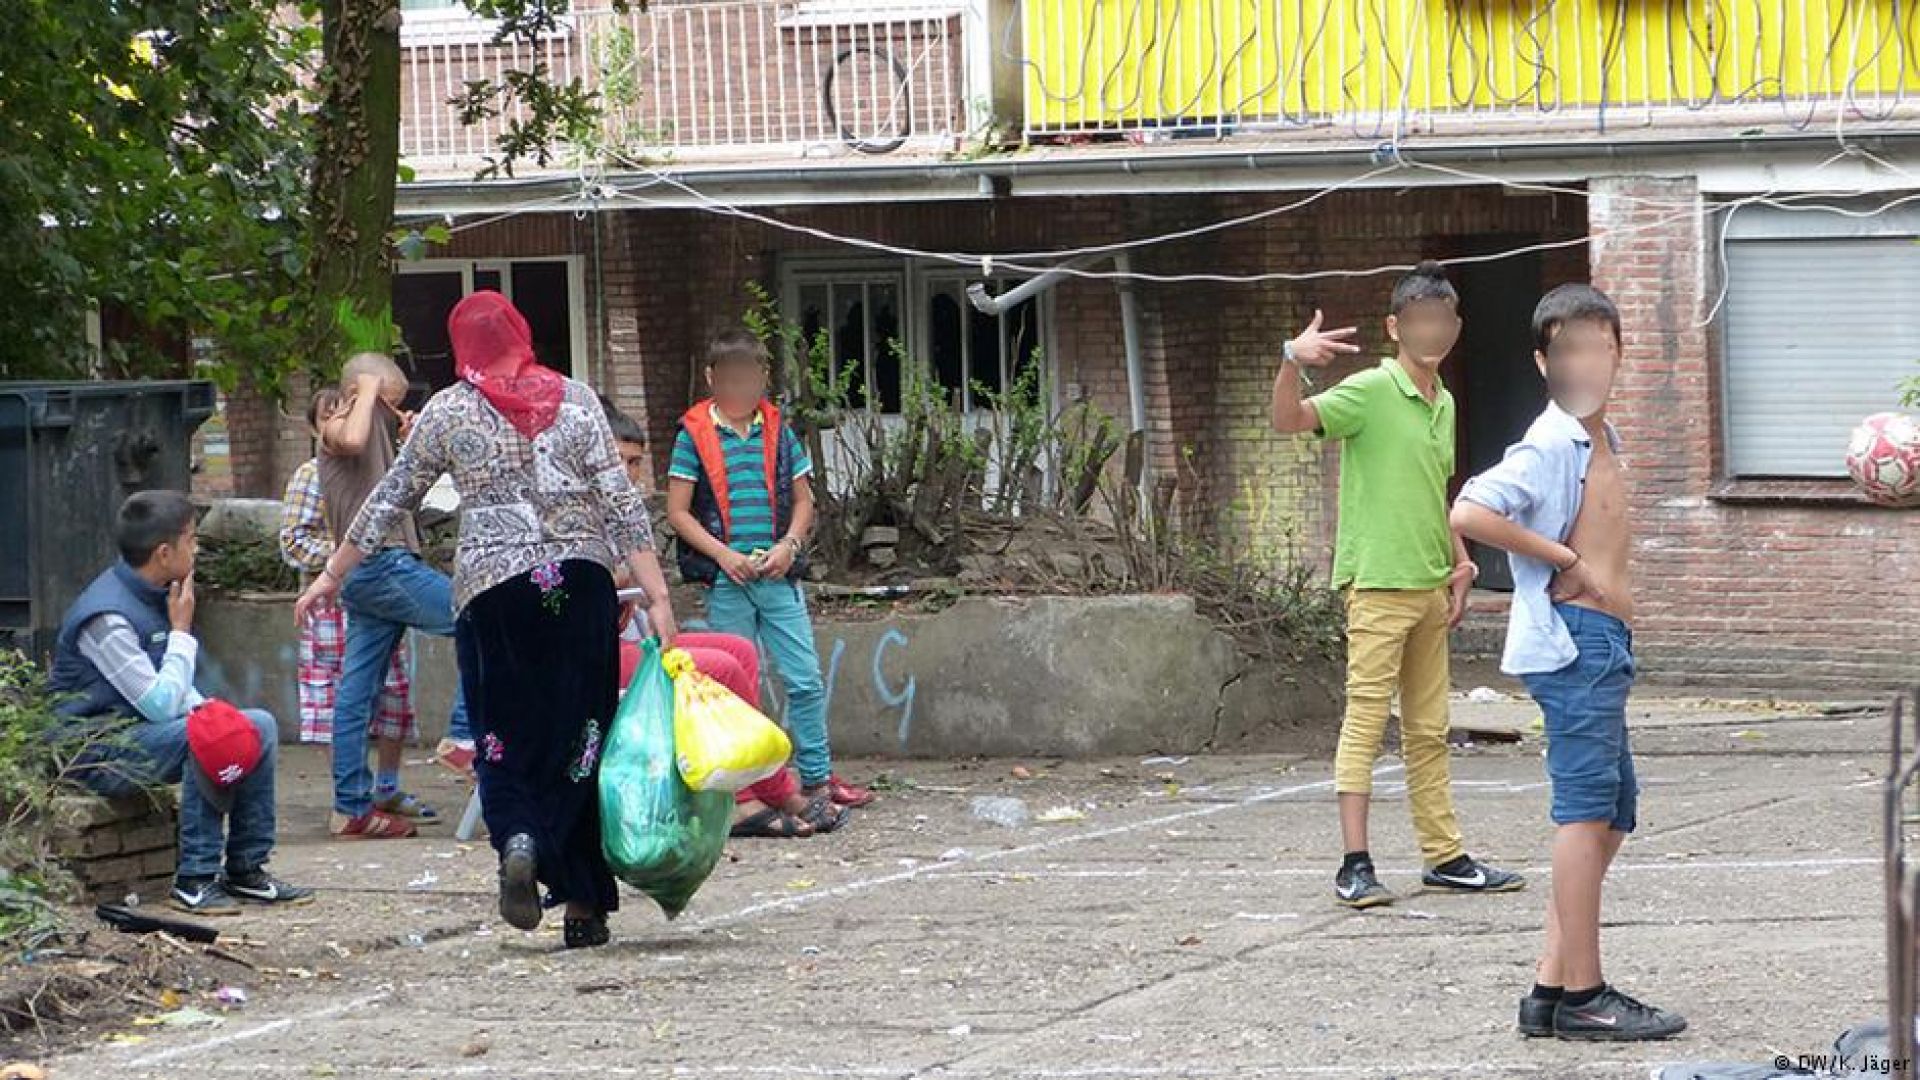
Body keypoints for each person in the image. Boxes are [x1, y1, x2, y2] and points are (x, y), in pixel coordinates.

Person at [296, 290, 678, 949]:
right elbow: (620, 499)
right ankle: (585, 903)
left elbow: (391, 497)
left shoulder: (447, 410)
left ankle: (519, 838)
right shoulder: (580, 401)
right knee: (580, 739)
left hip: (492, 593)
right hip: (580, 585)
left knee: (501, 733)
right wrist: (658, 595)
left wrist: (333, 573)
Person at [1451, 284, 1685, 1041]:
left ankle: (1550, 987)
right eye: (1570, 349)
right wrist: (1564, 560)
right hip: (1576, 641)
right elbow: (1471, 509)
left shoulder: (1599, 439)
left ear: (1618, 356)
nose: (1587, 362)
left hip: (1604, 643)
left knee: (1613, 813)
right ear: (1543, 361)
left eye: (1600, 347)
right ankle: (1586, 997)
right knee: (1586, 816)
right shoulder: (1551, 441)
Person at [1269, 261, 1524, 909]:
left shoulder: (1444, 402)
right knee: (1364, 722)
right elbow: (1289, 421)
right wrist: (1291, 359)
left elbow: (1433, 493)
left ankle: (1444, 857)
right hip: (1378, 585)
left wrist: (1460, 560)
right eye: (1418, 321)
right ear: (1395, 326)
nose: (1431, 331)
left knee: (1429, 729)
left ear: (1455, 326)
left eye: (1441, 320)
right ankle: (1354, 864)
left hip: (1430, 587)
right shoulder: (1370, 391)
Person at [50, 491, 311, 915]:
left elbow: (177, 697)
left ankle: (247, 869)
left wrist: (217, 715)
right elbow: (159, 704)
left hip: (138, 734)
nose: (198, 548)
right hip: (93, 751)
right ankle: (195, 877)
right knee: (200, 739)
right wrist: (182, 632)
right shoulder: (106, 618)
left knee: (255, 726)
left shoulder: (157, 594)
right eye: (192, 539)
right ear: (164, 552)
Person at [602, 398, 845, 838]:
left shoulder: (623, 512)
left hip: (629, 641)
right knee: (721, 669)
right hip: (586, 654)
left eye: (635, 463)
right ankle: (738, 800)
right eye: (617, 461)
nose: (628, 473)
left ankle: (777, 789)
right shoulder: (573, 515)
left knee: (740, 653)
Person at [664, 331, 875, 813]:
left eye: (750, 376)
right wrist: (722, 555)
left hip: (779, 577)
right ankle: (754, 788)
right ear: (711, 378)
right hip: (728, 581)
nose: (740, 387)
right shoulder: (691, 436)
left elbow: (804, 501)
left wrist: (789, 545)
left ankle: (818, 778)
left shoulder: (781, 433)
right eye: (730, 377)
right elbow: (679, 512)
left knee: (804, 679)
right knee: (737, 689)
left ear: (763, 378)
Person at [315, 353, 473, 840]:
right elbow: (355, 436)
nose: (396, 415)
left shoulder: (376, 440)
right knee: (483, 618)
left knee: (357, 692)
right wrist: (365, 390)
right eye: (393, 405)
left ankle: (352, 808)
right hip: (382, 565)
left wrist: (407, 434)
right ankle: (463, 733)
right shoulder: (339, 425)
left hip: (370, 572)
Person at [279, 387, 445, 820]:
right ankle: (460, 738)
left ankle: (371, 794)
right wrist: (336, 562)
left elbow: (405, 499)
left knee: (387, 694)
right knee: (348, 693)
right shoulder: (313, 469)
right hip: (347, 591)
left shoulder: (379, 462)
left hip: (362, 581)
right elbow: (294, 541)